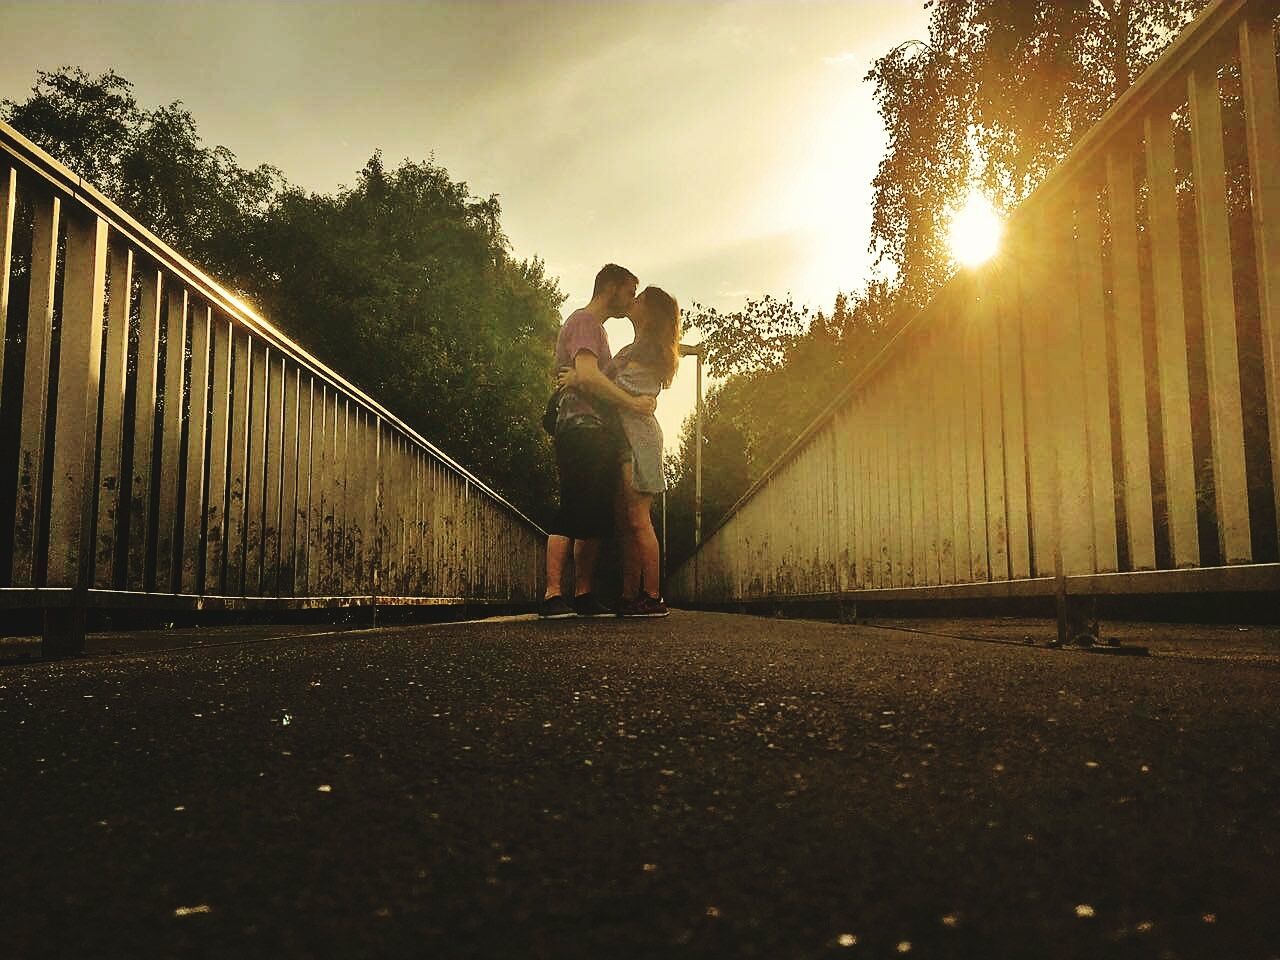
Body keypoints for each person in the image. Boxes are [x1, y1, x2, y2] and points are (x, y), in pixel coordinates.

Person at [540, 264, 656, 619]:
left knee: (592, 513)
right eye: (629, 292)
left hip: (594, 428)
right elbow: (590, 378)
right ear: (610, 288)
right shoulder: (585, 323)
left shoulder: (597, 331)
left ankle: (583, 593)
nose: (631, 301)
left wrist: (584, 378)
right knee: (574, 507)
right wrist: (633, 403)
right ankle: (552, 595)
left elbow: (589, 377)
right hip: (580, 426)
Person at [561, 286, 679, 618]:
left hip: (638, 441)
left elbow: (621, 389)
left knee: (638, 520)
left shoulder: (649, 349)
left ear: (651, 311)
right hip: (623, 440)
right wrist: (587, 378)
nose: (633, 301)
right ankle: (630, 595)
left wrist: (581, 378)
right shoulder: (636, 348)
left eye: (640, 299)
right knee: (626, 522)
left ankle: (652, 596)